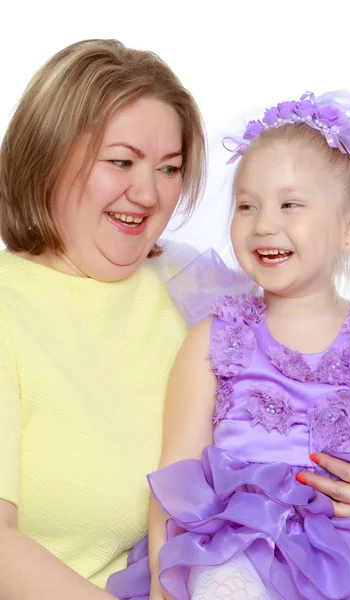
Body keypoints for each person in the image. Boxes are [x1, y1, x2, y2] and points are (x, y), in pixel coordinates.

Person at [107, 92, 350, 600]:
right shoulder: (214, 340)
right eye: (247, 205)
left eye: (290, 204)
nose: (264, 223)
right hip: (236, 553)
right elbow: (173, 480)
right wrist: (160, 581)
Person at [0, 38, 206, 599]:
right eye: (121, 162)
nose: (147, 193)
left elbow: (324, 375)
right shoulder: (7, 309)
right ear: (47, 155)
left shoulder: (188, 286)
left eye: (170, 169)